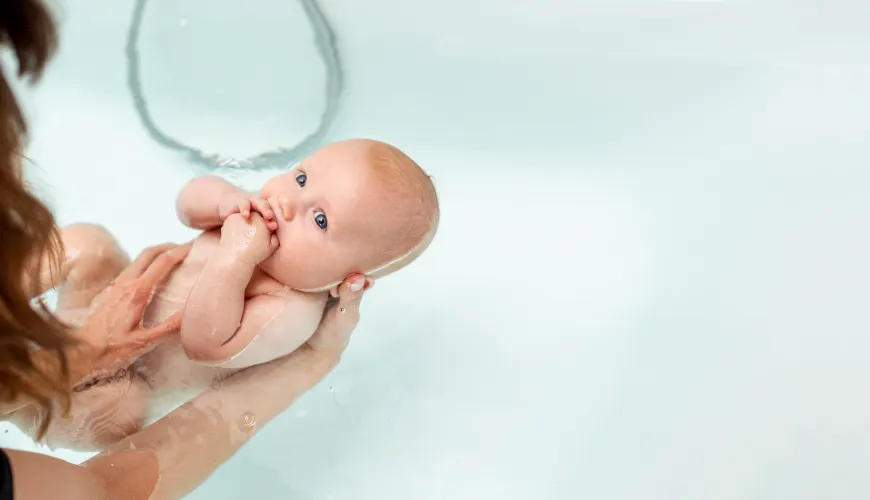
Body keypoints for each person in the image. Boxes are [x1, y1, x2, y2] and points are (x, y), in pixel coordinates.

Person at [0, 1, 369, 498]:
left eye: (319, 220)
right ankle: (24, 383)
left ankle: (26, 394)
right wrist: (222, 201)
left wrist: (237, 260)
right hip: (94, 329)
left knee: (120, 398)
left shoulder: (293, 309)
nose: (288, 201)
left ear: (346, 275)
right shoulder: (248, 220)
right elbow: (188, 205)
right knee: (86, 241)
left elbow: (203, 341)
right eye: (301, 178)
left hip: (130, 380)